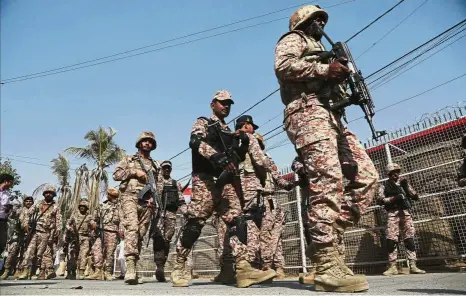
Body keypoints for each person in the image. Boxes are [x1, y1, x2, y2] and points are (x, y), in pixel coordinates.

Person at [274, 4, 379, 292]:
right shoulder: (294, 39)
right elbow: (283, 67)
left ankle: (329, 237)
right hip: (307, 113)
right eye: (315, 19)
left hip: (333, 117)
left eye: (323, 19)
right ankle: (326, 263)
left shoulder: (326, 47)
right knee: (327, 180)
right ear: (303, 22)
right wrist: (324, 69)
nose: (321, 23)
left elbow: (336, 87)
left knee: (368, 177)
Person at [170, 90, 275, 288]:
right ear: (213, 104)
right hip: (205, 181)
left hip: (226, 182)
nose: (226, 106)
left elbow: (237, 156)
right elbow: (195, 142)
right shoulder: (204, 122)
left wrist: (242, 146)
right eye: (222, 103)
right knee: (195, 223)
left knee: (237, 219)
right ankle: (179, 264)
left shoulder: (230, 132)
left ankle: (242, 267)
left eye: (229, 104)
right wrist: (214, 155)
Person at [113, 131, 160, 285]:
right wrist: (134, 172)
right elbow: (116, 175)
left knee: (140, 234)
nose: (148, 143)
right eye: (145, 141)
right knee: (132, 228)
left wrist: (155, 198)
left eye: (150, 142)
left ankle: (135, 264)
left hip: (147, 203)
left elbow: (157, 185)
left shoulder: (154, 165)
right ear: (139, 143)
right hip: (130, 198)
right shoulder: (129, 159)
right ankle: (131, 266)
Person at [254, 133, 294, 280]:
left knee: (275, 236)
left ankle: (277, 267)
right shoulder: (246, 162)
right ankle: (266, 266)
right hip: (257, 201)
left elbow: (277, 178)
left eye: (258, 144)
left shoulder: (267, 160)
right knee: (265, 236)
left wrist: (289, 185)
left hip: (271, 200)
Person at [377, 163, 425, 276]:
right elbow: (380, 200)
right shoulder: (384, 186)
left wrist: (406, 188)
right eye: (393, 172)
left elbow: (415, 196)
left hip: (405, 214)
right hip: (392, 215)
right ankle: (392, 266)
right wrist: (394, 198)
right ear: (388, 174)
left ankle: (413, 265)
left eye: (397, 172)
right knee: (391, 240)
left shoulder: (403, 184)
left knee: (409, 239)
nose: (395, 174)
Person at [153, 160, 187, 282]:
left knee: (167, 240)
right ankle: (159, 266)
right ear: (161, 169)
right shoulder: (155, 182)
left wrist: (186, 213)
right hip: (158, 215)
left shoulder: (175, 183)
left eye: (168, 168)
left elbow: (181, 200)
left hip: (171, 215)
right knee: (158, 238)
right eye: (164, 168)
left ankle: (163, 262)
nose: (166, 170)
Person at [18, 186, 61, 280]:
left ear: (53, 195)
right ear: (44, 194)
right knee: (29, 251)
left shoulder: (56, 206)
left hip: (47, 233)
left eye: (51, 193)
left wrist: (58, 230)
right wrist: (25, 224)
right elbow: (29, 213)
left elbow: (58, 219)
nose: (48, 194)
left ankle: (42, 272)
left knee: (42, 254)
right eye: (47, 192)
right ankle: (25, 271)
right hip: (35, 231)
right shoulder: (38, 203)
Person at [87, 188, 123, 280]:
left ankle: (108, 272)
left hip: (113, 233)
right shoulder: (102, 206)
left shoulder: (120, 206)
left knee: (109, 253)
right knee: (96, 249)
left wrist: (122, 231)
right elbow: (91, 218)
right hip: (101, 231)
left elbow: (123, 220)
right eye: (111, 195)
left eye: (115, 196)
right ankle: (98, 271)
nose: (112, 197)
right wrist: (93, 223)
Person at [65, 198, 94, 280]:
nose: (82, 208)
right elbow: (67, 224)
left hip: (85, 237)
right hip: (74, 237)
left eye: (84, 206)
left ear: (86, 208)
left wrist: (93, 225)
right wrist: (70, 228)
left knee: (84, 255)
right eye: (81, 206)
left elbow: (92, 224)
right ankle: (71, 272)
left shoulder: (89, 217)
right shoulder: (74, 215)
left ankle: (81, 271)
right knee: (72, 255)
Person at [0, 173, 15, 257]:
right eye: (11, 182)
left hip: (3, 221)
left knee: (2, 243)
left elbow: (6, 207)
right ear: (6, 182)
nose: (12, 185)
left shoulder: (7, 194)